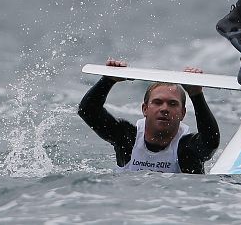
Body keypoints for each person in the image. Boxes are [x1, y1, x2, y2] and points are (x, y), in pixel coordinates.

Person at [78, 59, 220, 174]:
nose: (164, 109)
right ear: (145, 109)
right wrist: (108, 80)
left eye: (172, 104)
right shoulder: (127, 139)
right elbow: (87, 111)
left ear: (182, 113)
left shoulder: (187, 150)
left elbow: (211, 142)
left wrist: (196, 94)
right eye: (157, 102)